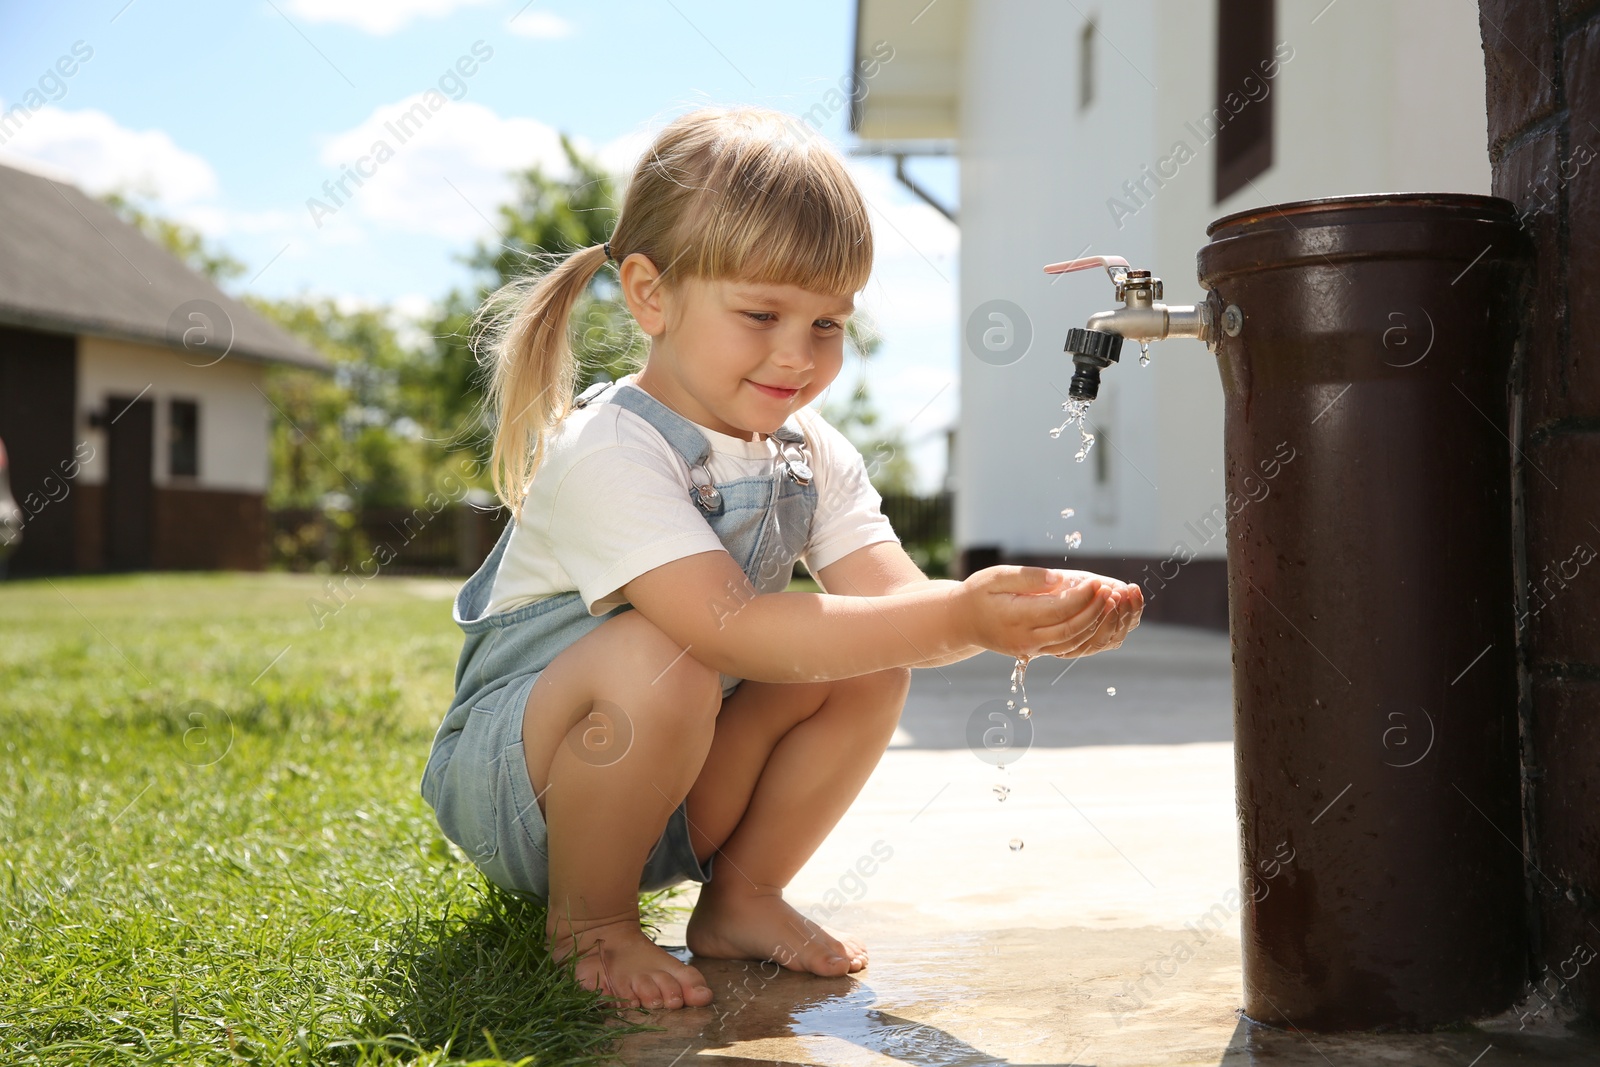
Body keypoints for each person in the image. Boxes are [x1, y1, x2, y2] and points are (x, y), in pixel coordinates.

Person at [420, 105, 1143, 1013]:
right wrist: (960, 614)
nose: (798, 355)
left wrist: (1011, 613)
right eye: (761, 313)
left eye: (829, 325)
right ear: (650, 294)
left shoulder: (809, 449)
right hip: (527, 790)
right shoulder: (612, 448)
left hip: (673, 780)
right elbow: (734, 627)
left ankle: (743, 897)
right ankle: (591, 924)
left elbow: (900, 608)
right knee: (666, 649)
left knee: (869, 657)